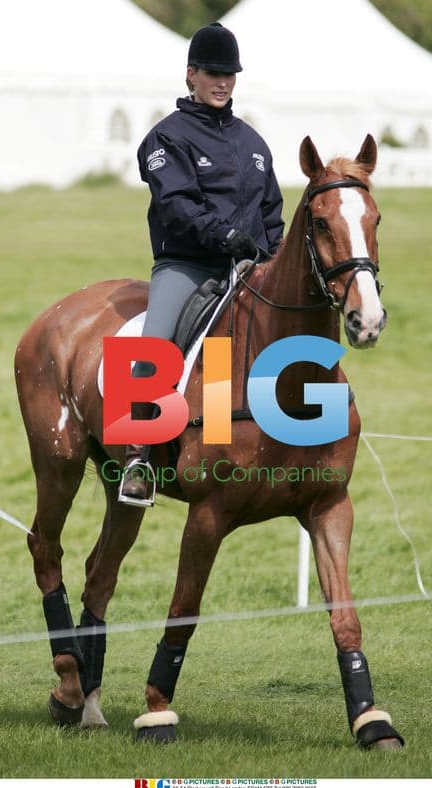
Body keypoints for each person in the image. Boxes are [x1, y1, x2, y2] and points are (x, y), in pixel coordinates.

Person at [118, 21, 284, 507]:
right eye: (213, 73)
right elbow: (177, 206)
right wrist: (225, 235)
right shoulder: (163, 139)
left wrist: (271, 258)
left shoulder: (254, 145)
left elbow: (272, 213)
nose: (222, 82)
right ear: (191, 74)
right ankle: (137, 457)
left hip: (247, 270)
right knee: (156, 342)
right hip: (187, 266)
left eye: (229, 74)